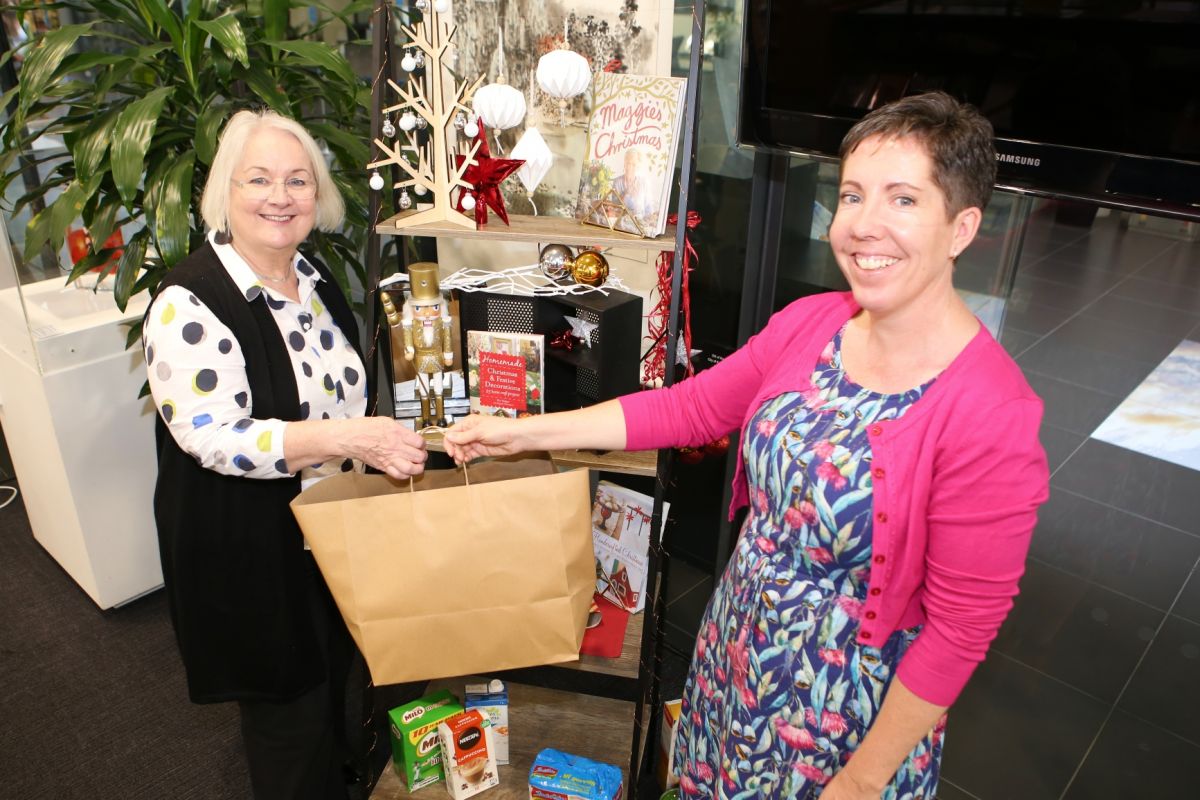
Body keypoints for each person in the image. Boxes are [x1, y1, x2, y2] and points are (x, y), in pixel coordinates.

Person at [444, 92, 1049, 798]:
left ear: (963, 227)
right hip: (737, 656)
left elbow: (959, 632)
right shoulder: (812, 323)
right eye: (852, 196)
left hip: (846, 718)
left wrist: (860, 781)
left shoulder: (992, 413)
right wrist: (516, 433)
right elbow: (689, 408)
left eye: (904, 200)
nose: (864, 226)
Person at [143, 109, 427, 800]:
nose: (280, 196)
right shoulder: (187, 304)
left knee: (340, 688)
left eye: (298, 181)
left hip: (330, 536)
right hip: (253, 556)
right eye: (259, 179)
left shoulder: (316, 278)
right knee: (288, 724)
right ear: (225, 192)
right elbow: (215, 436)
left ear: (317, 197)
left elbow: (350, 392)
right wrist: (349, 440)